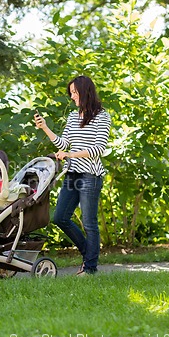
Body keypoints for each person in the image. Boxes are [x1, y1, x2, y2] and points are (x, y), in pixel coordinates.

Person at [34, 75, 111, 275]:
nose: (72, 97)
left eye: (75, 93)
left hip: (90, 175)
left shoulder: (102, 116)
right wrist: (45, 128)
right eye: (71, 93)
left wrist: (70, 154)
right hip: (73, 174)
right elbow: (63, 144)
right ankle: (89, 253)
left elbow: (98, 149)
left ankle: (90, 268)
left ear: (85, 92)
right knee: (60, 217)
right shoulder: (73, 117)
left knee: (89, 223)